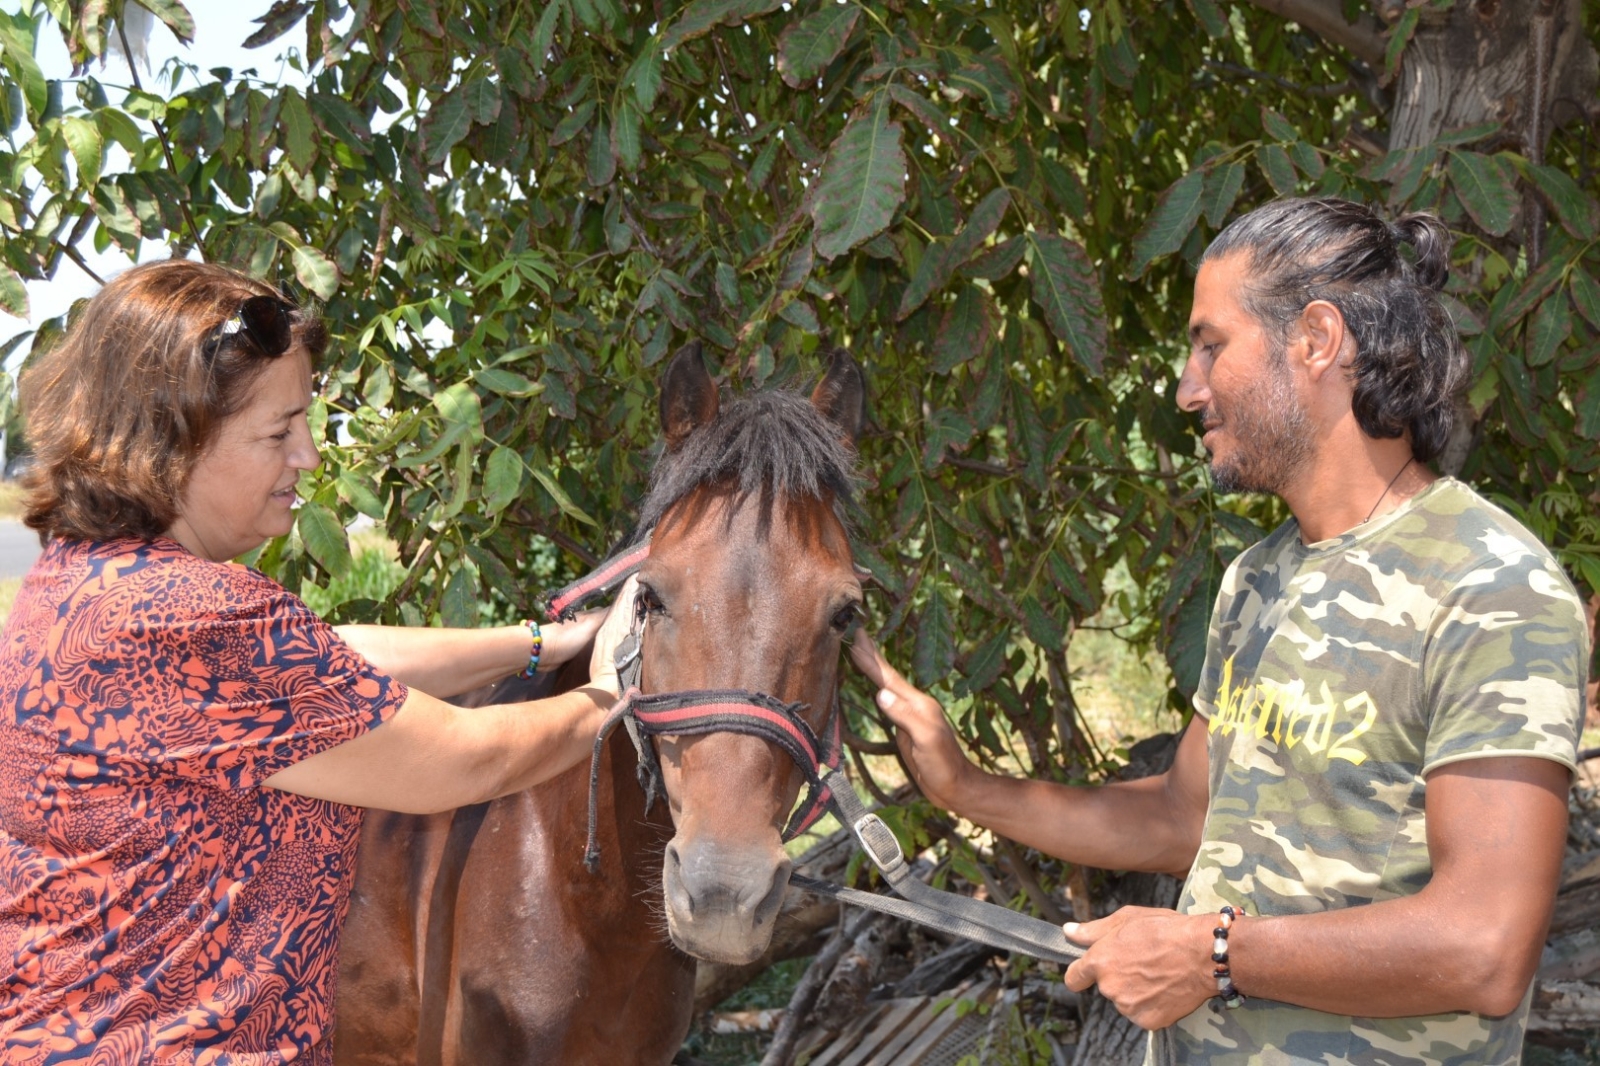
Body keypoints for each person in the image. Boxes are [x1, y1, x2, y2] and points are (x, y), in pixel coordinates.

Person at [851, 197, 1588, 1064]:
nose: (1187, 389)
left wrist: (1212, 956)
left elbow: (1484, 947)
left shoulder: (1490, 585)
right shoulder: (1257, 579)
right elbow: (1180, 815)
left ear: (1316, 340)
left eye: (1212, 345)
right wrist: (966, 788)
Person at [0, 259, 634, 1064]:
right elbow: (465, 761)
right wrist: (614, 687)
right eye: (277, 431)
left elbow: (336, 658)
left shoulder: (79, 581)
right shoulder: (196, 619)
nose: (307, 457)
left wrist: (541, 642)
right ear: (170, 443)